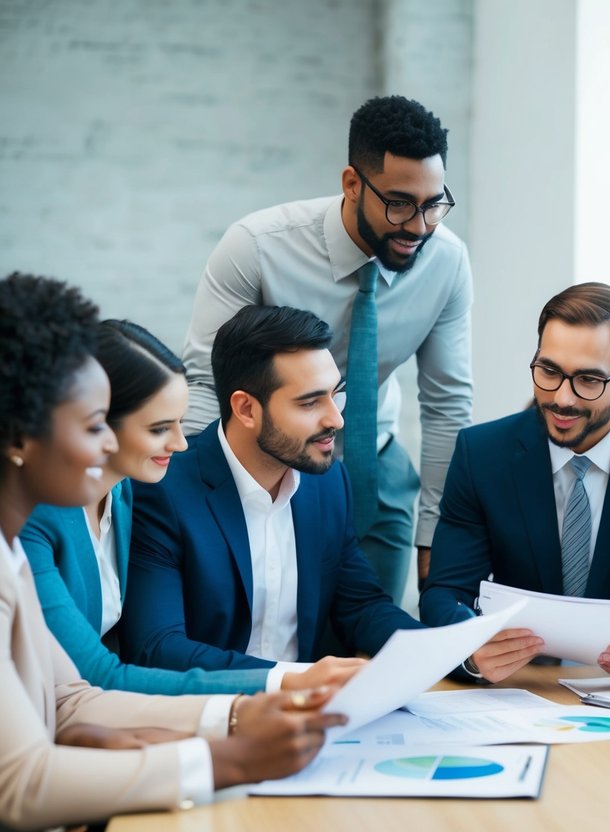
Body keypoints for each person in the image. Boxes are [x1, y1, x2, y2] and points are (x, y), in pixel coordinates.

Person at [0, 272, 344, 829]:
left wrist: (241, 712)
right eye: (94, 427)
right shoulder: (34, 532)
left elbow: (71, 698)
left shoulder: (30, 539)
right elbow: (19, 783)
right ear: (19, 437)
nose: (110, 445)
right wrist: (224, 754)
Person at [182, 95, 473, 603]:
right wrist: (193, 498)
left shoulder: (447, 261)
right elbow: (209, 382)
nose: (420, 225)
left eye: (434, 204)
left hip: (377, 469)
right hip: (267, 469)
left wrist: (437, 531)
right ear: (352, 184)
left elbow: (447, 404)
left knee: (373, 632)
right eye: (400, 203)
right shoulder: (257, 247)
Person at [21, 319, 364, 695]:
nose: (181, 443)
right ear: (96, 425)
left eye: (180, 422)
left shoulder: (120, 496)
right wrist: (286, 683)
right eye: (158, 428)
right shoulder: (40, 517)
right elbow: (103, 672)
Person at [420, 283, 610, 687]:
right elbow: (444, 593)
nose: (562, 398)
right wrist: (471, 651)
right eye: (548, 371)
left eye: (588, 380)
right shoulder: (481, 455)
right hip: (512, 685)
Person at [124, 305, 425, 672]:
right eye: (310, 402)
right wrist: (294, 681)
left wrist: (453, 654)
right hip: (212, 714)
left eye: (336, 395)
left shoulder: (327, 482)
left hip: (311, 715)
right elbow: (157, 647)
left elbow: (361, 607)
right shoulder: (163, 491)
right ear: (246, 409)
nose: (336, 419)